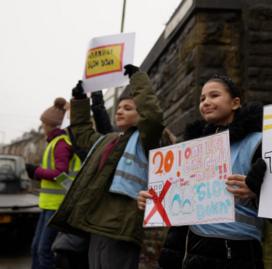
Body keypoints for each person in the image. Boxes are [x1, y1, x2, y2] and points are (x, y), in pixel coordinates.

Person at [49, 65, 171, 269]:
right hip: (96, 223)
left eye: (128, 108)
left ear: (140, 116)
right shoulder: (107, 140)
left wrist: (138, 79)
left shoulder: (145, 139)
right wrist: (80, 101)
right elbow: (82, 133)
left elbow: (153, 117)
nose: (120, 111)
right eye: (120, 107)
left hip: (121, 226)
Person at [137, 74, 265, 269]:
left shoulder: (258, 142)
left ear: (235, 103)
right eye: (202, 98)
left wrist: (257, 191)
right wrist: (154, 200)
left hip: (234, 249)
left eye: (214, 95)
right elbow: (179, 195)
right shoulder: (189, 150)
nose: (206, 102)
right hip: (184, 246)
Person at [52, 88, 113, 269]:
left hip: (94, 217)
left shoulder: (112, 142)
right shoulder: (86, 140)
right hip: (79, 214)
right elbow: (82, 134)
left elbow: (105, 131)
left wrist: (97, 101)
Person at [25, 97, 81, 269]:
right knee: (36, 247)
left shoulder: (61, 144)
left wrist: (36, 171)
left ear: (51, 125)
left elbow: (60, 173)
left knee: (44, 250)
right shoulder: (54, 143)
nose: (42, 127)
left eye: (43, 124)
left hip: (57, 206)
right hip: (48, 205)